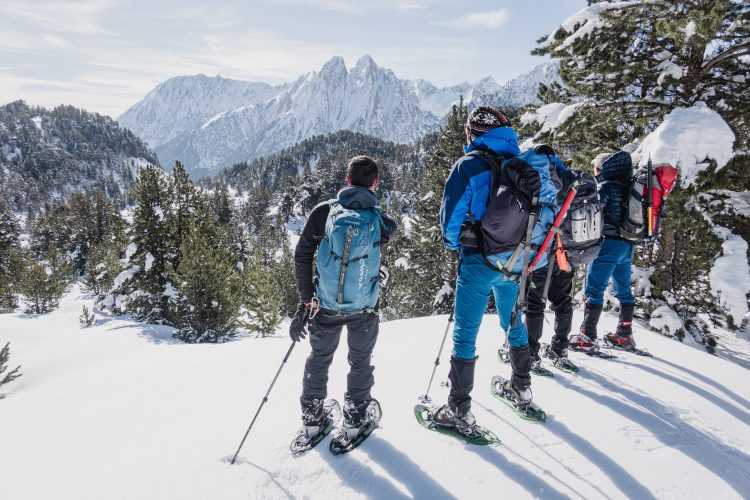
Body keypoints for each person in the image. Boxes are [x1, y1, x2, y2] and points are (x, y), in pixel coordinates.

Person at [433, 106, 556, 435]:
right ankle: (522, 387)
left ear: (473, 133)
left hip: (479, 260)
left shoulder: (469, 165)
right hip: (515, 260)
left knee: (466, 332)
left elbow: (449, 221)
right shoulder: (521, 164)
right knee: (513, 321)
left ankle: (458, 408)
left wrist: (455, 243)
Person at [289, 155, 397, 446]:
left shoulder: (324, 212)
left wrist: (306, 299)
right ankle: (354, 420)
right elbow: (386, 236)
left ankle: (312, 420)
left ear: (347, 180)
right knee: (360, 361)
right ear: (375, 183)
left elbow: (302, 254)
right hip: (364, 307)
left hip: (325, 305)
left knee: (319, 358)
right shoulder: (380, 220)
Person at [570, 151, 636, 351]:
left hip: (607, 244)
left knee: (594, 289)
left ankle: (587, 336)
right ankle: (624, 334)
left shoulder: (605, 186)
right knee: (624, 290)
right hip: (627, 245)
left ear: (600, 168)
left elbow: (592, 209)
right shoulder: (629, 185)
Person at [524, 150, 579, 370]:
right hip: (567, 252)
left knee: (535, 303)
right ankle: (560, 348)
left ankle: (531, 353)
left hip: (545, 252)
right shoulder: (570, 178)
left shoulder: (541, 178)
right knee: (563, 300)